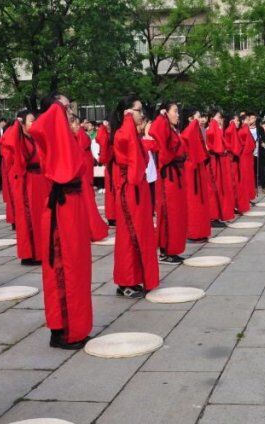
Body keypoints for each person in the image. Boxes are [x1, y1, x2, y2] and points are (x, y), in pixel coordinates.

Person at [28, 94, 94, 349]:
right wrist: (56, 109)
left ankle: (76, 326)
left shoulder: (64, 137)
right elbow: (37, 127)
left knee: (78, 268)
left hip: (72, 206)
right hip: (62, 208)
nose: (68, 113)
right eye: (64, 108)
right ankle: (64, 330)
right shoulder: (49, 132)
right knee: (63, 268)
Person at [114, 98, 159, 299]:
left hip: (138, 188)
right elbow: (135, 163)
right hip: (130, 191)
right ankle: (126, 281)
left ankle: (136, 277)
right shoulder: (124, 133)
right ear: (127, 112)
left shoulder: (132, 134)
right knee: (129, 237)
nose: (142, 114)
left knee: (142, 235)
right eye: (138, 110)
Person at [0, 110, 42, 266]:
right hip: (26, 181)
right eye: (31, 121)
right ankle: (29, 254)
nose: (34, 123)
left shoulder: (34, 138)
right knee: (27, 218)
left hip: (38, 181)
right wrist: (16, 124)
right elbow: (8, 144)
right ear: (22, 124)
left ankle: (40, 251)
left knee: (38, 217)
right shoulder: (18, 139)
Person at [149, 102, 188, 264]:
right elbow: (154, 130)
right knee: (168, 214)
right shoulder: (163, 126)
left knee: (177, 214)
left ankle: (173, 248)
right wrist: (161, 116)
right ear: (166, 113)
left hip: (177, 175)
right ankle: (166, 250)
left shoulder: (173, 129)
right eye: (175, 111)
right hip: (168, 178)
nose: (178, 115)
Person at [70, 114, 109, 243]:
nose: (78, 126)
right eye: (75, 123)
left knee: (87, 201)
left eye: (77, 123)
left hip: (83, 171)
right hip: (79, 172)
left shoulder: (80, 135)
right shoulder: (76, 135)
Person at [182, 108, 213, 242]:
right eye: (198, 117)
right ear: (190, 119)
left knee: (201, 202)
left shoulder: (197, 131)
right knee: (194, 201)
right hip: (191, 170)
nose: (201, 119)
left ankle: (201, 230)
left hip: (198, 168)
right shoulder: (188, 131)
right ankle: (194, 232)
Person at [205, 109, 236, 222]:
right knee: (214, 187)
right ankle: (214, 215)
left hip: (218, 160)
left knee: (220, 187)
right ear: (212, 118)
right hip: (213, 161)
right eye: (218, 117)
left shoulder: (216, 128)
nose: (220, 119)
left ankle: (219, 213)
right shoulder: (210, 128)